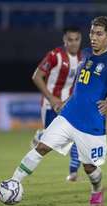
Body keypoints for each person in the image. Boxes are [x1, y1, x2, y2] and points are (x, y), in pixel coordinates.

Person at [0, 16, 107, 206]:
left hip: (91, 123)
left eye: (99, 34)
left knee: (89, 167)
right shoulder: (85, 54)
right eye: (92, 33)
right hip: (68, 115)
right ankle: (12, 183)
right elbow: (79, 86)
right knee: (42, 147)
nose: (94, 37)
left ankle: (97, 189)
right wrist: (66, 102)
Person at [30, 26, 83, 181]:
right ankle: (41, 135)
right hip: (50, 105)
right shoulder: (54, 56)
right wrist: (51, 98)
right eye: (70, 40)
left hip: (70, 105)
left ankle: (73, 173)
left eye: (76, 39)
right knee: (53, 142)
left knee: (77, 136)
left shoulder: (83, 59)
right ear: (64, 40)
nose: (73, 43)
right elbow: (37, 76)